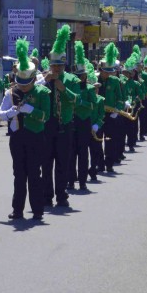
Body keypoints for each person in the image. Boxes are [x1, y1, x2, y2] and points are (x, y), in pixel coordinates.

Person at [0, 39, 51, 221]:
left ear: (34, 79)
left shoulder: (42, 93)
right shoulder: (11, 93)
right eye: (20, 82)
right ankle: (17, 210)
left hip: (36, 137)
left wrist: (31, 111)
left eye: (26, 83)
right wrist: (10, 113)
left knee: (34, 174)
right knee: (19, 175)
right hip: (17, 138)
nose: (23, 86)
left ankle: (37, 210)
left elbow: (46, 116)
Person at [42, 25, 80, 209]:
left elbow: (77, 100)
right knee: (46, 163)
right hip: (47, 125)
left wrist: (63, 89)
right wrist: (45, 82)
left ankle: (61, 195)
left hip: (64, 125)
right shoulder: (44, 80)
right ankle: (47, 195)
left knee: (62, 163)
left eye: (59, 65)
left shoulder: (72, 80)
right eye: (53, 65)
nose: (56, 68)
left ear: (64, 65)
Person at [70, 42, 96, 191]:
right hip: (73, 121)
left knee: (83, 153)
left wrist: (81, 102)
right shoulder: (71, 87)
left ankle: (82, 181)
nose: (81, 77)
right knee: (71, 153)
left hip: (85, 122)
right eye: (79, 75)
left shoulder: (90, 88)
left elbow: (93, 104)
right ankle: (70, 180)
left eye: (83, 75)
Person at [98, 44, 125, 174]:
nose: (108, 74)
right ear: (101, 70)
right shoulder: (95, 79)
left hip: (110, 114)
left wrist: (116, 110)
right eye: (106, 71)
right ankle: (99, 164)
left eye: (110, 71)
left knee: (110, 140)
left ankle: (109, 163)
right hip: (98, 115)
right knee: (97, 141)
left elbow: (120, 99)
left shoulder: (114, 81)